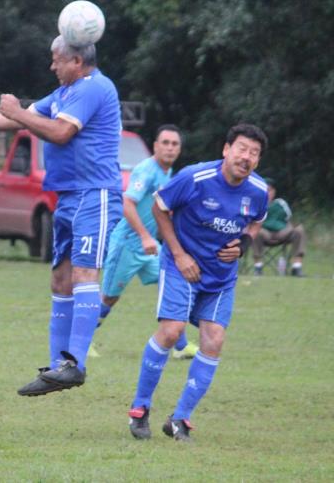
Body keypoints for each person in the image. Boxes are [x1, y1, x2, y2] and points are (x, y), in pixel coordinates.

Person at [0, 35, 123, 396]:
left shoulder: (94, 87)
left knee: (83, 273)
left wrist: (16, 111)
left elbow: (61, 133)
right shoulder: (63, 93)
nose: (52, 66)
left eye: (57, 60)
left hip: (94, 194)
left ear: (76, 61)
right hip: (67, 196)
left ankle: (75, 364)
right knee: (60, 279)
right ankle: (56, 368)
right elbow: (16, 120)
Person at [127, 123, 269, 442]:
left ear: (258, 161)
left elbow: (256, 222)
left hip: (220, 277)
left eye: (254, 153)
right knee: (171, 331)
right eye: (242, 149)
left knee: (214, 340)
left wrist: (244, 244)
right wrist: (178, 255)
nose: (246, 157)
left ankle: (180, 419)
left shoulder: (257, 192)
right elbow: (159, 208)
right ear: (226, 149)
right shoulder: (194, 177)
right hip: (181, 267)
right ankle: (140, 409)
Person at [100, 125, 198, 359]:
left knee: (174, 282)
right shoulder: (146, 170)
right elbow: (127, 203)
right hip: (127, 245)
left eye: (174, 144)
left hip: (150, 248)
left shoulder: (168, 173)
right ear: (155, 146)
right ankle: (79, 342)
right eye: (165, 143)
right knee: (108, 297)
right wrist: (145, 236)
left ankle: (181, 346)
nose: (170, 148)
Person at [252, 179, 306, 276]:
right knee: (257, 232)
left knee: (299, 230)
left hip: (282, 233)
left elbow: (288, 217)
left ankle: (296, 267)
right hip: (264, 234)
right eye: (265, 190)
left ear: (274, 191)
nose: (267, 193)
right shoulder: (255, 204)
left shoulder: (280, 203)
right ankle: (258, 267)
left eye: (270, 190)